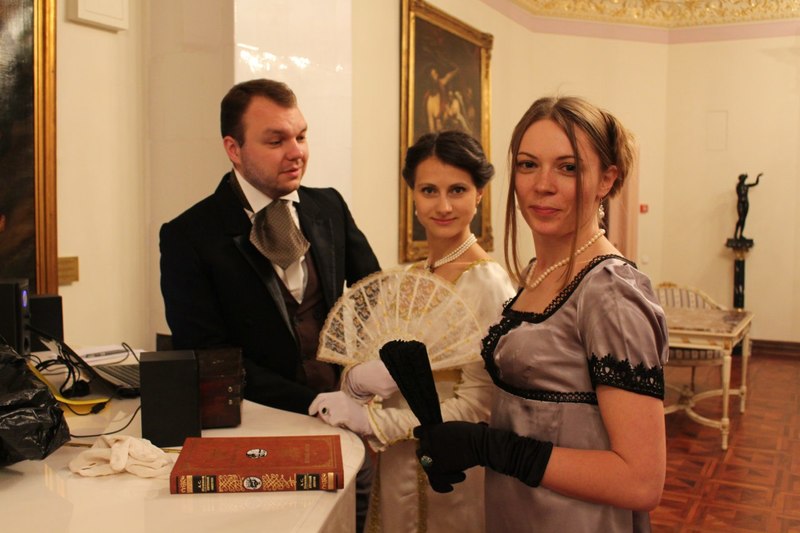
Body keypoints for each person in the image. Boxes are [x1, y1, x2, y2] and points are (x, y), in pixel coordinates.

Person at [413, 96, 669, 532]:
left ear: (606, 179)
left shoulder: (610, 293)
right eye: (528, 165)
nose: (542, 185)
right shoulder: (538, 274)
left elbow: (640, 481)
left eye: (568, 168)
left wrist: (492, 448)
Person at [308, 130, 516, 532]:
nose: (443, 205)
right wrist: (356, 380)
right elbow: (362, 370)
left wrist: (374, 423)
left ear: (479, 195)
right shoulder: (407, 279)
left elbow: (481, 407)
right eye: (429, 190)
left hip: (454, 475)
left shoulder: (488, 284)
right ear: (413, 196)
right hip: (394, 468)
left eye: (457, 190)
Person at [159, 78, 380, 414]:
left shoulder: (330, 207)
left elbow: (376, 294)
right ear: (234, 149)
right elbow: (208, 354)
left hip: (344, 410)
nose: (297, 153)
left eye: (301, 137)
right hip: (259, 418)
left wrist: (362, 367)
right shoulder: (188, 236)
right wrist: (310, 403)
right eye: (276, 141)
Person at [733, 172, 761, 240]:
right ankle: (735, 233)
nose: (744, 179)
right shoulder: (738, 186)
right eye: (743, 178)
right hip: (740, 203)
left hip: (746, 203)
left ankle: (741, 234)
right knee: (741, 218)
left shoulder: (746, 186)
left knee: (744, 219)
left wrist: (758, 177)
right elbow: (741, 182)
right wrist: (745, 176)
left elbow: (755, 183)